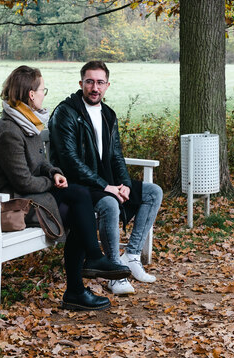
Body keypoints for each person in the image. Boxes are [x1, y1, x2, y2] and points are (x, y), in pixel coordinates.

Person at [0, 65, 129, 311]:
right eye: (42, 89)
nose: (43, 94)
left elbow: (39, 164)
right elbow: (23, 182)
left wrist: (54, 172)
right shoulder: (10, 131)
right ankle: (80, 281)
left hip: (29, 198)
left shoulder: (26, 124)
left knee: (80, 202)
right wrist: (52, 182)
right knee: (80, 206)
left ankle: (80, 282)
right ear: (31, 94)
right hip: (12, 205)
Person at [49, 61, 163, 295]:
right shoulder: (66, 112)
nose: (94, 87)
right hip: (77, 186)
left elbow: (116, 155)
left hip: (104, 181)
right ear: (80, 83)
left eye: (100, 82)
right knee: (109, 203)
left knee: (153, 192)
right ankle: (114, 271)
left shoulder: (108, 114)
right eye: (89, 81)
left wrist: (126, 185)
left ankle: (131, 256)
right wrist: (106, 186)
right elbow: (70, 160)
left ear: (107, 85)